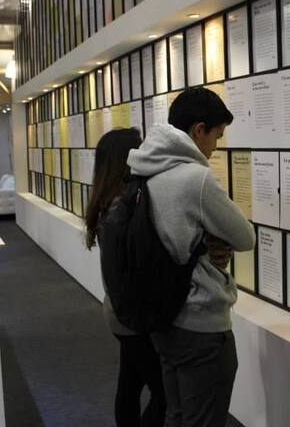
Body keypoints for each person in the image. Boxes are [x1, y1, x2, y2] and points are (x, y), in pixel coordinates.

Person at [127, 88, 256, 427]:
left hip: (161, 312)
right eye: (217, 136)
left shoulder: (144, 169)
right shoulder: (195, 179)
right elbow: (245, 237)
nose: (215, 147)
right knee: (203, 418)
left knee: (177, 413)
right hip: (199, 320)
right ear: (199, 130)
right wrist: (213, 239)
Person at [84, 127, 166, 427]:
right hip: (131, 313)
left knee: (130, 383)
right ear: (126, 159)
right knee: (165, 394)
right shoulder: (123, 208)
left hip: (120, 310)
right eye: (140, 149)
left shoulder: (109, 202)